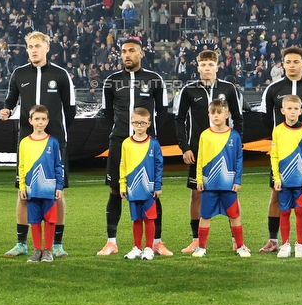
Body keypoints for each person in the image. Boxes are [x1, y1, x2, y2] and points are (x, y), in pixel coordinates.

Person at [0, 32, 76, 259]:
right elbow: (11, 99)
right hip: (28, 143)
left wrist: (57, 132)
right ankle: (21, 243)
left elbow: (70, 109)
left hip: (54, 143)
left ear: (47, 48)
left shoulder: (60, 75)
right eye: (30, 46)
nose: (33, 50)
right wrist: (6, 109)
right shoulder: (19, 73)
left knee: (57, 193)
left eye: (38, 46)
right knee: (24, 192)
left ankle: (57, 244)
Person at [98, 37, 172, 256]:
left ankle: (157, 242)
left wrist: (149, 136)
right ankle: (111, 242)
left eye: (131, 51)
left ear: (141, 53)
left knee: (151, 193)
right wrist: (120, 132)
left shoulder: (154, 79)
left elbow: (163, 112)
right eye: (123, 51)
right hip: (120, 143)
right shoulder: (111, 81)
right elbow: (107, 113)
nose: (127, 55)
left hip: (146, 146)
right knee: (115, 191)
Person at [175, 49, 244, 253]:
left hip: (226, 152)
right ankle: (197, 240)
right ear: (198, 67)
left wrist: (236, 145)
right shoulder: (189, 90)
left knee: (232, 192)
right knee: (197, 194)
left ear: (217, 66)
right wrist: (185, 147)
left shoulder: (229, 89)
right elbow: (179, 120)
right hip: (199, 153)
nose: (207, 68)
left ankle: (236, 240)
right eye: (203, 65)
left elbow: (238, 118)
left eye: (211, 64)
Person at [258, 46, 302, 255]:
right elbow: (264, 118)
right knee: (276, 195)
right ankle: (273, 240)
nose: (292, 65)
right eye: (288, 62)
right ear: (283, 64)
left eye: (296, 62)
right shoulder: (273, 89)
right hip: (283, 155)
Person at [192, 99, 251, 258]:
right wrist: (199, 179)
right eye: (213, 112)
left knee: (234, 215)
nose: (216, 115)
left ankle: (240, 246)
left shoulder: (234, 135)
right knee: (205, 216)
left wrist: (237, 180)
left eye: (219, 112)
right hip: (209, 185)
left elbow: (239, 159)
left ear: (227, 114)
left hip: (229, 185)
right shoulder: (205, 135)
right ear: (209, 115)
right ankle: (201, 247)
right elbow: (200, 158)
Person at [269, 95, 302, 259]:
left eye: (296, 109)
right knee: (285, 212)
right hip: (284, 181)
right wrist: (277, 178)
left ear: (300, 111)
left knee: (301, 211)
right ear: (283, 111)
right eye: (289, 108)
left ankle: (300, 245)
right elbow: (274, 156)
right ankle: (286, 244)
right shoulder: (278, 131)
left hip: (301, 181)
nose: (293, 112)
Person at [18, 105, 64, 263]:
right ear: (30, 121)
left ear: (47, 121)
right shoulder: (24, 142)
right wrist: (22, 186)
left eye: (43, 119)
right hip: (32, 189)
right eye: (37, 119)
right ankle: (37, 250)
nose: (40, 122)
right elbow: (22, 166)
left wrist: (59, 186)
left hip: (49, 189)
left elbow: (58, 165)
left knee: (50, 220)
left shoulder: (53, 142)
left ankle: (48, 251)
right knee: (35, 220)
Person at [120, 107, 163, 261]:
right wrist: (122, 185)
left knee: (149, 219)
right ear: (131, 123)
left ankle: (149, 248)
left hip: (149, 189)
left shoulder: (154, 144)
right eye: (136, 122)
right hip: (132, 188)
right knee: (136, 219)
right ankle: (137, 247)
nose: (139, 126)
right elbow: (123, 166)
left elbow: (159, 166)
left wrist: (157, 185)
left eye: (142, 123)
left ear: (149, 124)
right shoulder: (126, 143)